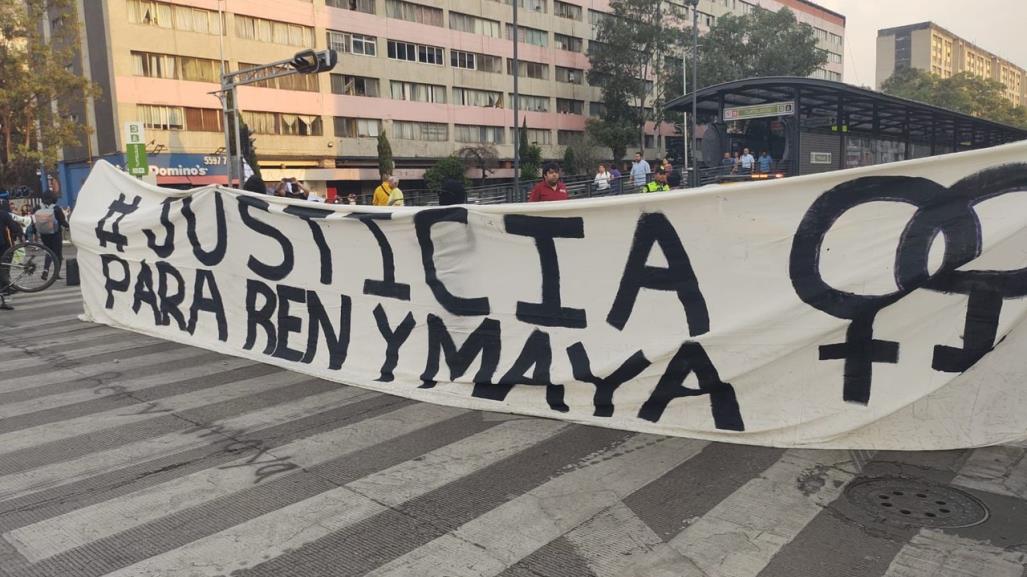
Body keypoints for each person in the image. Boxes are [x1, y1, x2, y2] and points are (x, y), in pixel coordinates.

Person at [33, 193, 69, 278]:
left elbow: (34, 219)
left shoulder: (37, 208)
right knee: (58, 254)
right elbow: (62, 221)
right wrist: (68, 226)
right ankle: (56, 274)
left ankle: (46, 270)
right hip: (55, 234)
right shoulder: (56, 208)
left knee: (48, 252)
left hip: (44, 234)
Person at [0, 193, 24, 309]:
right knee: (4, 269)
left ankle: (5, 290)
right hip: (3, 246)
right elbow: (14, 228)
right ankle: (5, 292)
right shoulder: (4, 214)